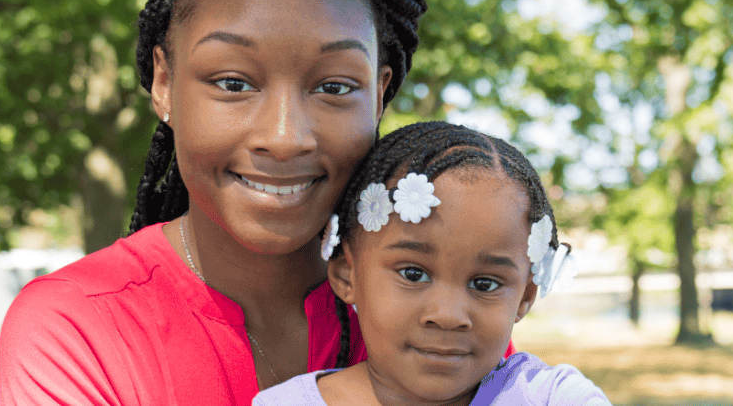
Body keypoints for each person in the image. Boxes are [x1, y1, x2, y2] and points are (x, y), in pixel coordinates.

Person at [0, 0, 427, 404]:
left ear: (378, 96)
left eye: (334, 87)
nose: (284, 138)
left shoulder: (435, 306)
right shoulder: (79, 328)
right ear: (164, 83)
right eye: (233, 83)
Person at [254, 122, 610, 406]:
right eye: (413, 274)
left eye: (485, 284)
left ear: (525, 297)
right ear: (348, 275)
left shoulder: (553, 398)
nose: (448, 315)